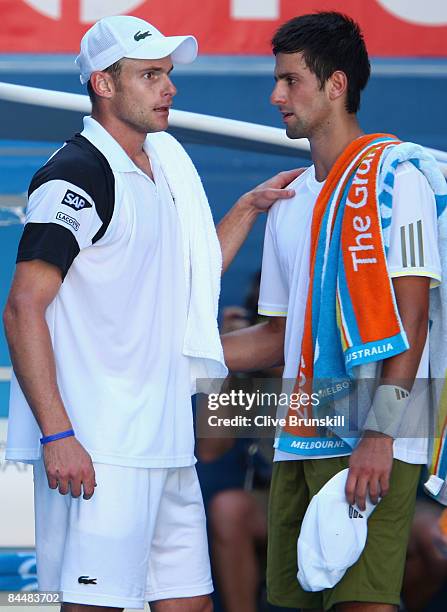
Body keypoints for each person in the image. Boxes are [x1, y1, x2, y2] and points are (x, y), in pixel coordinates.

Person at [2, 15, 300, 612]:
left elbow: (186, 283)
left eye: (167, 74)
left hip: (167, 446)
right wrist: (59, 434)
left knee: (189, 605)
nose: (169, 87)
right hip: (99, 450)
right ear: (103, 85)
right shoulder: (75, 175)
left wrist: (245, 208)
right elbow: (22, 307)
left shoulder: (165, 165)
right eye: (150, 75)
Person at [222, 11, 443, 612]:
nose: (275, 95)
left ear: (336, 85)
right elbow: (277, 337)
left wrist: (379, 432)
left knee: (360, 606)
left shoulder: (401, 179)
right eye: (277, 80)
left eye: (290, 80)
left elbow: (412, 319)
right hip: (299, 435)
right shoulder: (288, 201)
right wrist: (176, 351)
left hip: (377, 435)